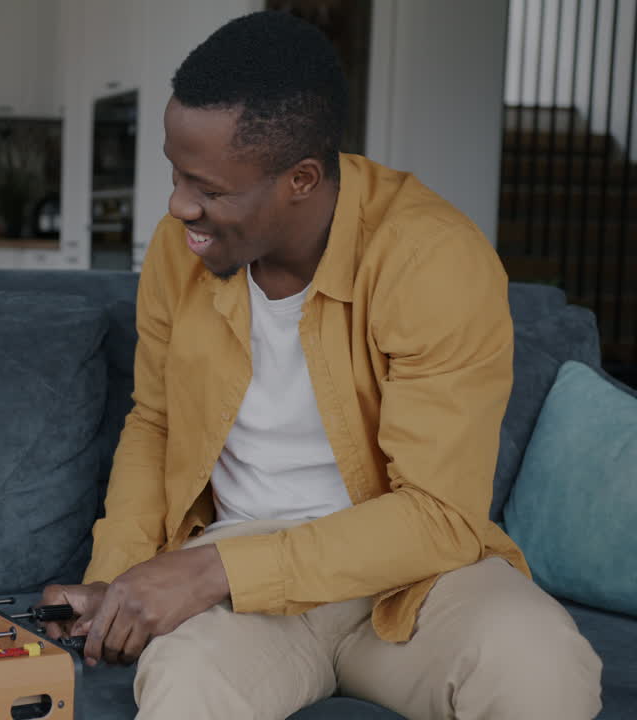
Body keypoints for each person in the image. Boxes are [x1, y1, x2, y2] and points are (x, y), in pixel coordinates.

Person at [40, 11, 602, 719]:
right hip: (243, 578)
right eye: (176, 175)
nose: (180, 207)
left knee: (542, 664)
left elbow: (439, 517)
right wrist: (118, 585)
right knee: (187, 685)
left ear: (300, 179)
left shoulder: (432, 260)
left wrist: (209, 572)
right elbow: (154, 424)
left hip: (413, 573)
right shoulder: (177, 254)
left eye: (208, 188)